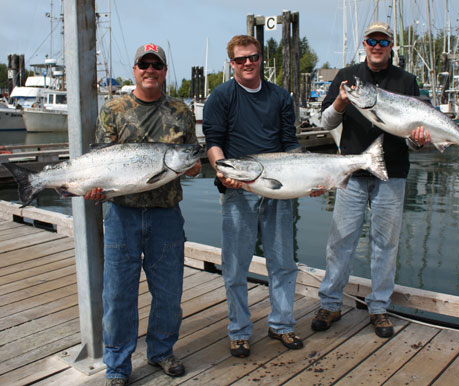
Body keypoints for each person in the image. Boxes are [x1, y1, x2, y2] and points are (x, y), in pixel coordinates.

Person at [85, 43, 201, 386]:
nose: (150, 70)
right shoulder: (114, 109)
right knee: (118, 294)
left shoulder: (181, 110)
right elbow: (101, 159)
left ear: (165, 71)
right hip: (122, 215)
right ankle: (118, 366)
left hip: (166, 214)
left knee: (168, 292)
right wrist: (95, 187)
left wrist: (192, 168)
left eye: (157, 65)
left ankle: (161, 351)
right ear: (134, 69)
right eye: (143, 64)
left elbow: (190, 156)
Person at [311, 22, 431, 338]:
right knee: (340, 241)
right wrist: (340, 101)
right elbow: (325, 121)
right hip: (351, 172)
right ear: (364, 44)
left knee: (386, 243)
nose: (377, 45)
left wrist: (419, 139)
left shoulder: (406, 81)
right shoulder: (346, 76)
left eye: (383, 40)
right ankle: (330, 303)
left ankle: (379, 309)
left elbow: (412, 138)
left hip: (392, 174)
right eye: (371, 40)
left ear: (392, 45)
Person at [202, 35, 304, 358]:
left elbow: (290, 144)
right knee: (234, 266)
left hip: (278, 186)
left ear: (262, 59)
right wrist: (221, 170)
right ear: (231, 63)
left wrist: (308, 177)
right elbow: (213, 143)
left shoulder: (280, 97)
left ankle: (282, 324)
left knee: (283, 262)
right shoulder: (220, 97)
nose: (248, 63)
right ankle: (239, 331)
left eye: (253, 57)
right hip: (239, 190)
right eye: (240, 59)